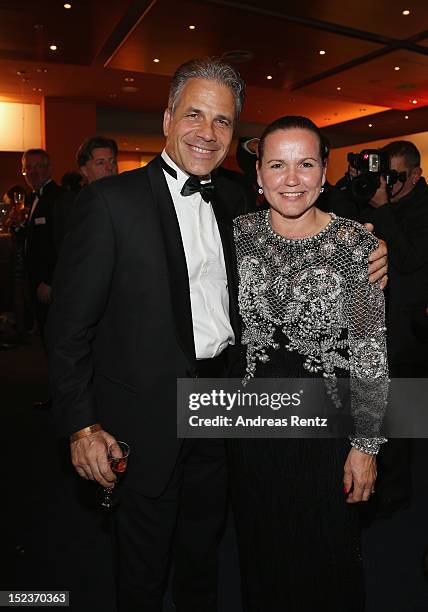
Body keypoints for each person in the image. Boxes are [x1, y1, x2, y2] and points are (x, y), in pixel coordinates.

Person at [46, 60, 387, 611]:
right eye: (195, 115)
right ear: (167, 118)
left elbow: (314, 244)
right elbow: (67, 330)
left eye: (222, 122)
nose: (207, 132)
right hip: (147, 418)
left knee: (205, 560)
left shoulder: (233, 204)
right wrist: (82, 424)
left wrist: (371, 246)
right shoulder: (110, 203)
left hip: (227, 414)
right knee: (142, 573)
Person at [229, 115, 389, 611]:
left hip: (327, 430)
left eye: (305, 164)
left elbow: (369, 352)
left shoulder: (357, 247)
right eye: (276, 165)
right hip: (254, 427)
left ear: (324, 173)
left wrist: (366, 445)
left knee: (327, 554)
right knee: (262, 551)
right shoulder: (236, 236)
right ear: (258, 175)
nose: (291, 179)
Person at [23, 149, 62, 341]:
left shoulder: (58, 197)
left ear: (49, 168)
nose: (33, 171)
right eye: (28, 167)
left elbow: (62, 243)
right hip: (35, 280)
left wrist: (49, 281)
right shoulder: (31, 198)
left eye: (39, 166)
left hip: (49, 284)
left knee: (55, 337)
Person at [54, 137, 118, 251]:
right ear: (84, 171)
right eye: (100, 163)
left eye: (112, 161)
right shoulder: (74, 204)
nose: (110, 167)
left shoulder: (124, 200)